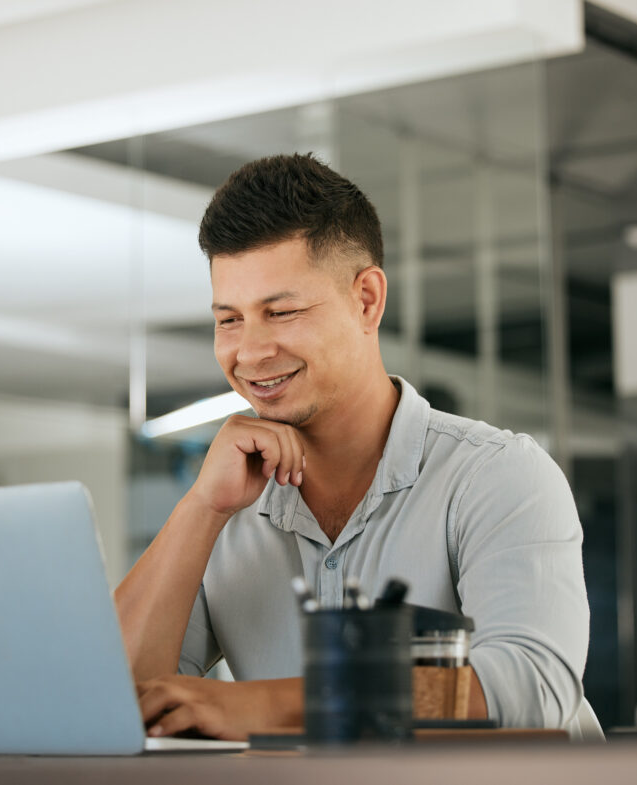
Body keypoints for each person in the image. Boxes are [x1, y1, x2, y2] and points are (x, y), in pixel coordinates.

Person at [114, 153, 594, 741]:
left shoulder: (498, 476)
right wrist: (201, 510)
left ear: (366, 300)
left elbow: (530, 686)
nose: (251, 351)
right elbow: (113, 702)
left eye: (281, 311)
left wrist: (269, 707)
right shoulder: (226, 508)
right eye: (229, 320)